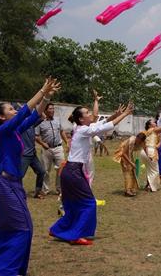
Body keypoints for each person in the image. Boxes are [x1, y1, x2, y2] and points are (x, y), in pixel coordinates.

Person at [0, 78, 60, 276]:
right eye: (11, 110)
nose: (15, 110)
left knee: (5, 227)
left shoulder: (14, 131)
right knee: (23, 228)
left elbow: (34, 114)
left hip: (13, 184)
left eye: (14, 110)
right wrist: (41, 90)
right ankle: (9, 270)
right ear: (2, 117)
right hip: (3, 185)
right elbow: (25, 112)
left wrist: (47, 96)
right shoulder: (3, 130)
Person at [50, 102, 132, 246]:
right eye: (87, 113)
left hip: (71, 171)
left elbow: (103, 123)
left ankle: (58, 229)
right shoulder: (82, 130)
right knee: (89, 204)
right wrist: (125, 114)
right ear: (81, 119)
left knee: (74, 204)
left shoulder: (83, 128)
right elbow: (105, 126)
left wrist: (117, 114)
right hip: (73, 171)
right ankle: (75, 235)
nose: (91, 115)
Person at [35, 103, 70, 195]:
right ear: (45, 110)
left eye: (53, 109)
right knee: (45, 170)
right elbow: (36, 136)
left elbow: (62, 131)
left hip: (58, 148)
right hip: (47, 149)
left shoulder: (57, 120)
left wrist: (66, 142)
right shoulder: (40, 122)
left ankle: (60, 189)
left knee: (61, 169)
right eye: (50, 109)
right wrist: (42, 143)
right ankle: (45, 189)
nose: (52, 110)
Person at [140, 115, 161, 191]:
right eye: (152, 122)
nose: (154, 122)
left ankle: (148, 184)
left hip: (144, 151)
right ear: (149, 125)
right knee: (155, 170)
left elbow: (142, 142)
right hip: (151, 151)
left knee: (150, 169)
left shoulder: (145, 132)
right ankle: (151, 187)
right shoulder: (154, 130)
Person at [113, 132, 147, 196]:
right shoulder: (131, 141)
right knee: (127, 172)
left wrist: (148, 156)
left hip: (129, 154)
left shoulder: (142, 142)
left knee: (132, 172)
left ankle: (131, 188)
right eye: (137, 139)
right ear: (136, 137)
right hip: (123, 154)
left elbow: (145, 148)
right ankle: (127, 191)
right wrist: (131, 163)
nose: (138, 141)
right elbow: (123, 153)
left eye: (139, 141)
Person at [20, 118, 46, 199]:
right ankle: (18, 193)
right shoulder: (21, 125)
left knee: (41, 172)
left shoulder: (32, 123)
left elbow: (43, 116)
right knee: (19, 175)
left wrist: (36, 105)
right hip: (24, 155)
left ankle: (38, 192)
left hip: (33, 155)